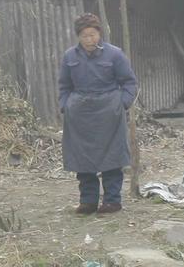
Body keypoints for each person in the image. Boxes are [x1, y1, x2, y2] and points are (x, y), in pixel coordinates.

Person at [58, 13, 138, 214]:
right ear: (78, 36)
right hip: (79, 115)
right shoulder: (70, 56)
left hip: (109, 111)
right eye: (85, 36)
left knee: (112, 157)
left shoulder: (115, 54)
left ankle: (112, 201)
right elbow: (64, 85)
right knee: (82, 158)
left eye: (92, 35)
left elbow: (129, 82)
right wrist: (65, 106)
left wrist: (122, 104)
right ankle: (88, 201)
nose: (89, 40)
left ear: (99, 33)